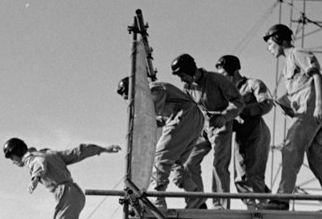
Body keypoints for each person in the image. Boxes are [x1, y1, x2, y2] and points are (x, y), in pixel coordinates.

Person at [3, 138, 119, 219]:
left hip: (66, 194)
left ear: (17, 152)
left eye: (12, 158)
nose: (13, 162)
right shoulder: (49, 153)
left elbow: (39, 164)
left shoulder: (31, 159)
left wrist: (35, 179)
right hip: (74, 193)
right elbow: (77, 152)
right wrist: (103, 149)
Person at [262, 24, 322, 211]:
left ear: (278, 39)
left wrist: (318, 105)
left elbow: (317, 77)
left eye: (269, 43)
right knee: (317, 158)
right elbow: (296, 93)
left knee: (290, 149)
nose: (269, 48)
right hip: (308, 110)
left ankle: (282, 199)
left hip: (311, 108)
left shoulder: (297, 53)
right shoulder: (287, 65)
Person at [117, 77, 204, 209]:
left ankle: (158, 201)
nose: (129, 100)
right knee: (174, 162)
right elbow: (163, 114)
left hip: (185, 115)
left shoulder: (151, 89)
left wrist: (145, 117)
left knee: (159, 158)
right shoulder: (152, 92)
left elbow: (154, 105)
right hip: (192, 117)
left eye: (128, 96)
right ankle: (195, 198)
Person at [171, 54, 245, 209]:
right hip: (201, 128)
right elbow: (186, 109)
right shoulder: (188, 87)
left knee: (219, 165)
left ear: (190, 70)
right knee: (190, 162)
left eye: (182, 75)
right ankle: (197, 202)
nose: (181, 80)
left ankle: (220, 205)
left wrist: (225, 116)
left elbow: (238, 102)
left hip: (221, 126)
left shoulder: (217, 80)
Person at [215, 55, 274, 210]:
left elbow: (267, 103)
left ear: (233, 71)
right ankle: (254, 205)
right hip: (239, 134)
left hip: (256, 130)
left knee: (255, 172)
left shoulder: (252, 84)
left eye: (223, 75)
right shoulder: (226, 93)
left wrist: (244, 110)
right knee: (240, 177)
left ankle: (261, 208)